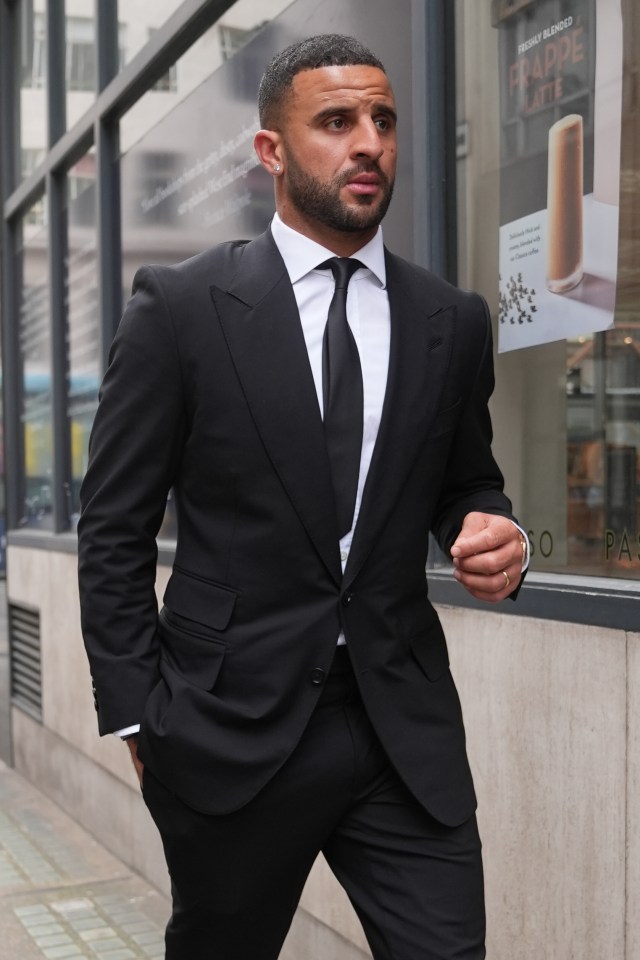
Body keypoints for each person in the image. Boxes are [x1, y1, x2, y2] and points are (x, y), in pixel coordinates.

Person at [78, 33, 527, 960]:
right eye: (336, 121)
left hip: (401, 727)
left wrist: (494, 530)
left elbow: (466, 481)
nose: (369, 142)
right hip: (227, 727)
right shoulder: (181, 308)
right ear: (271, 152)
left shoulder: (451, 319)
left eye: (384, 121)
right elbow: (114, 526)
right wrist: (138, 713)